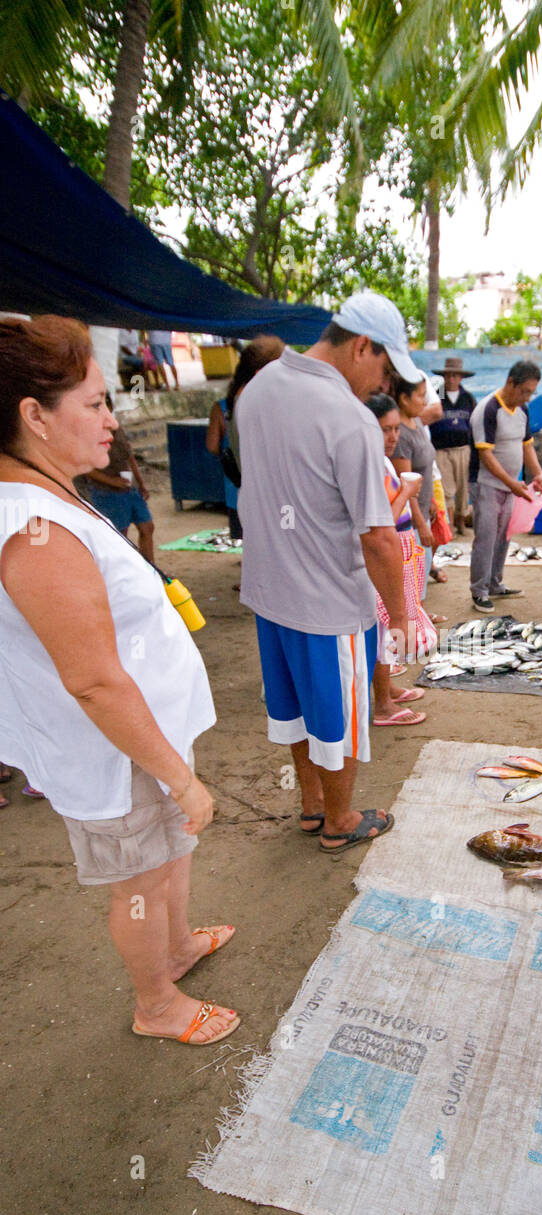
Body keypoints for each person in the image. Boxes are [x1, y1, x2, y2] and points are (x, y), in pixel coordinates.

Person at [0, 315, 233, 1045]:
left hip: (144, 736)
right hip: (112, 747)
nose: (113, 418)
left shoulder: (55, 491)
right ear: (34, 416)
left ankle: (176, 947)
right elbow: (94, 681)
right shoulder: (34, 527)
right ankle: (155, 1003)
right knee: (138, 879)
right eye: (96, 403)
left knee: (171, 852)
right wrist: (181, 777)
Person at [236, 290, 411, 853]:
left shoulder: (257, 388)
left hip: (269, 592)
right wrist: (401, 618)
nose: (380, 383)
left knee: (296, 708)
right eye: (383, 366)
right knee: (336, 715)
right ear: (362, 346)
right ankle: (340, 820)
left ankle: (312, 807)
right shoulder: (348, 418)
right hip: (329, 602)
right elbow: (379, 537)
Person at [365, 393, 429, 727]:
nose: (392, 437)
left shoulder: (385, 461)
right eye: (384, 429)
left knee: (388, 628)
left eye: (394, 429)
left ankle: (386, 689)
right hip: (383, 552)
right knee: (383, 629)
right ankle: (382, 706)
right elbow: (379, 524)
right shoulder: (367, 466)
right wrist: (406, 493)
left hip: (399, 550)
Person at [469, 360, 542, 614]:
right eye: (524, 390)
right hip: (486, 484)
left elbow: (527, 445)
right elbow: (486, 455)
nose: (526, 397)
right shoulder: (488, 409)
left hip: (512, 486)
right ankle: (479, 590)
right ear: (510, 382)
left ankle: (495, 582)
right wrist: (510, 482)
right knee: (486, 537)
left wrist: (538, 473)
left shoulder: (522, 411)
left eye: (531, 392)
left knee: (504, 536)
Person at [205, 336, 284, 542]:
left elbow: (212, 445)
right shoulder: (263, 404)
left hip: (238, 489)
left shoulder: (225, 405)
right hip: (269, 496)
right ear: (261, 372)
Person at [390, 373, 446, 618]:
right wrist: (420, 523)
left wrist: (431, 500)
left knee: (421, 570)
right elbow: (407, 484)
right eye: (420, 396)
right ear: (403, 398)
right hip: (410, 518)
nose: (426, 402)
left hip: (423, 508)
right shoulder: (400, 434)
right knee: (412, 573)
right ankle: (414, 619)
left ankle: (420, 614)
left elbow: (424, 468)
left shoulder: (418, 424)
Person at [84, 395, 155, 564]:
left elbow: (130, 457)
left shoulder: (117, 429)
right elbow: (88, 469)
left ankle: (151, 568)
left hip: (130, 488)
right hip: (106, 492)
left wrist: (141, 483)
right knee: (118, 535)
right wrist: (112, 482)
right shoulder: (89, 433)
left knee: (147, 526)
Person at [429, 356, 477, 534]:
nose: (451, 379)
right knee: (446, 488)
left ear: (461, 378)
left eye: (455, 376)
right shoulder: (435, 397)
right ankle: (448, 526)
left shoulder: (468, 398)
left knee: (463, 487)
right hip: (441, 450)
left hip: (463, 449)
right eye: (448, 376)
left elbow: (474, 423)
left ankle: (461, 522)